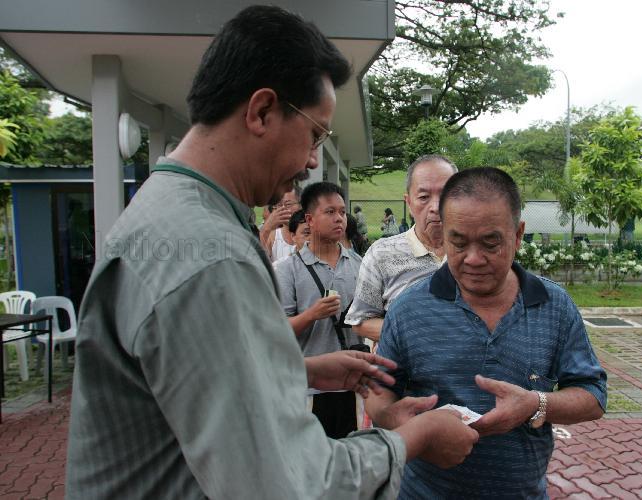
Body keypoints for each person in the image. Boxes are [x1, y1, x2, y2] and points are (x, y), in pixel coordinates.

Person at [65, 6, 478, 498]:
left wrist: (292, 369)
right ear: (261, 111)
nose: (310, 161)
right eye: (315, 135)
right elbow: (291, 482)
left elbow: (174, 377)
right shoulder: (208, 254)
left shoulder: (168, 209)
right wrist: (413, 438)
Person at [367, 167, 607, 499]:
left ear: (519, 234)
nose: (474, 259)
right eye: (459, 242)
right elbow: (379, 392)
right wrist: (392, 419)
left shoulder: (554, 305)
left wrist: (536, 404)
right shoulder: (409, 309)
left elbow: (593, 395)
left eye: (490, 242)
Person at [275, 182, 364, 438]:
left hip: (354, 387)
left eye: (342, 212)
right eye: (330, 212)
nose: (339, 219)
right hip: (310, 389)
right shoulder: (287, 270)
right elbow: (277, 332)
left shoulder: (359, 265)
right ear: (310, 220)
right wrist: (311, 314)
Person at [345, 154, 457, 342]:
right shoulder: (381, 253)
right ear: (409, 203)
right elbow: (360, 322)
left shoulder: (476, 253)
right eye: (423, 197)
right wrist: (420, 334)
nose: (435, 207)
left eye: (446, 195)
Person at [261, 186, 301, 261]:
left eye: (288, 204)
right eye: (279, 205)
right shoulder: (272, 236)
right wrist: (266, 228)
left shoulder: (313, 233)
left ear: (301, 205)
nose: (283, 209)